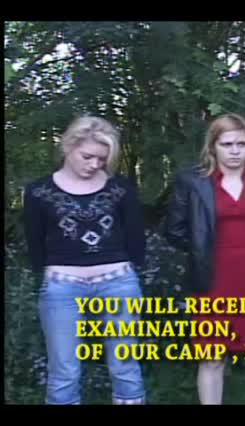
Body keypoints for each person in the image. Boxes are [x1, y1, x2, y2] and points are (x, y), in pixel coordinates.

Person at [164, 112, 245, 404]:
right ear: (213, 146)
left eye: (241, 144)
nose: (235, 151)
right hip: (215, 278)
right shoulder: (193, 181)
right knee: (212, 357)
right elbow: (173, 230)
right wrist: (203, 250)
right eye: (227, 144)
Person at [23, 115, 147, 405]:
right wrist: (46, 276)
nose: (94, 165)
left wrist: (131, 270)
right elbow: (34, 242)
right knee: (64, 371)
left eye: (101, 160)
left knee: (125, 366)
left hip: (118, 283)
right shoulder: (38, 192)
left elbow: (135, 237)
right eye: (87, 156)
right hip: (62, 286)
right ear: (68, 146)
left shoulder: (121, 188)